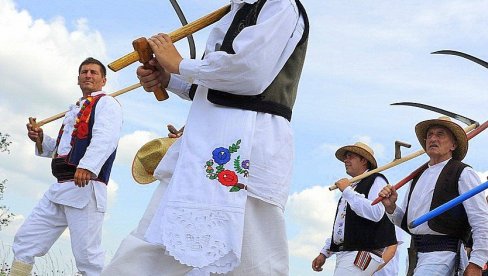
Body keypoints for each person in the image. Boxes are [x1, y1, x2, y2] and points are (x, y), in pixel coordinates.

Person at [102, 0, 309, 275]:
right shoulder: (238, 10)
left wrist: (180, 64)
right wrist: (169, 77)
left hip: (247, 147)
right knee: (152, 244)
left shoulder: (280, 6)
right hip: (202, 146)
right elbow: (216, 83)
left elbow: (248, 73)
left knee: (255, 259)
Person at [10, 57, 123, 276]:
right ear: (78, 78)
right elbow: (62, 150)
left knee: (88, 258)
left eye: (93, 72)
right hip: (60, 188)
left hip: (85, 187)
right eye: (84, 72)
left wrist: (88, 167)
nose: (88, 75)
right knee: (26, 240)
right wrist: (41, 139)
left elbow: (106, 138)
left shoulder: (106, 103)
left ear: (104, 80)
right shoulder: (75, 109)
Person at [378, 117, 488, 275]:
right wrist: (391, 207)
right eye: (429, 135)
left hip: (443, 255)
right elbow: (410, 224)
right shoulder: (416, 177)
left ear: (453, 145)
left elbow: (481, 220)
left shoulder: (463, 173)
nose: (433, 138)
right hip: (415, 256)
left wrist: (477, 262)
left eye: (440, 134)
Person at [311, 142, 398, 275]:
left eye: (350, 156)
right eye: (345, 157)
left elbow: (376, 212)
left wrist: (347, 191)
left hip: (362, 253)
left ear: (363, 160)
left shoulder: (376, 180)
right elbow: (343, 228)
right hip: (347, 254)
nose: (345, 160)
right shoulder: (352, 188)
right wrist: (324, 253)